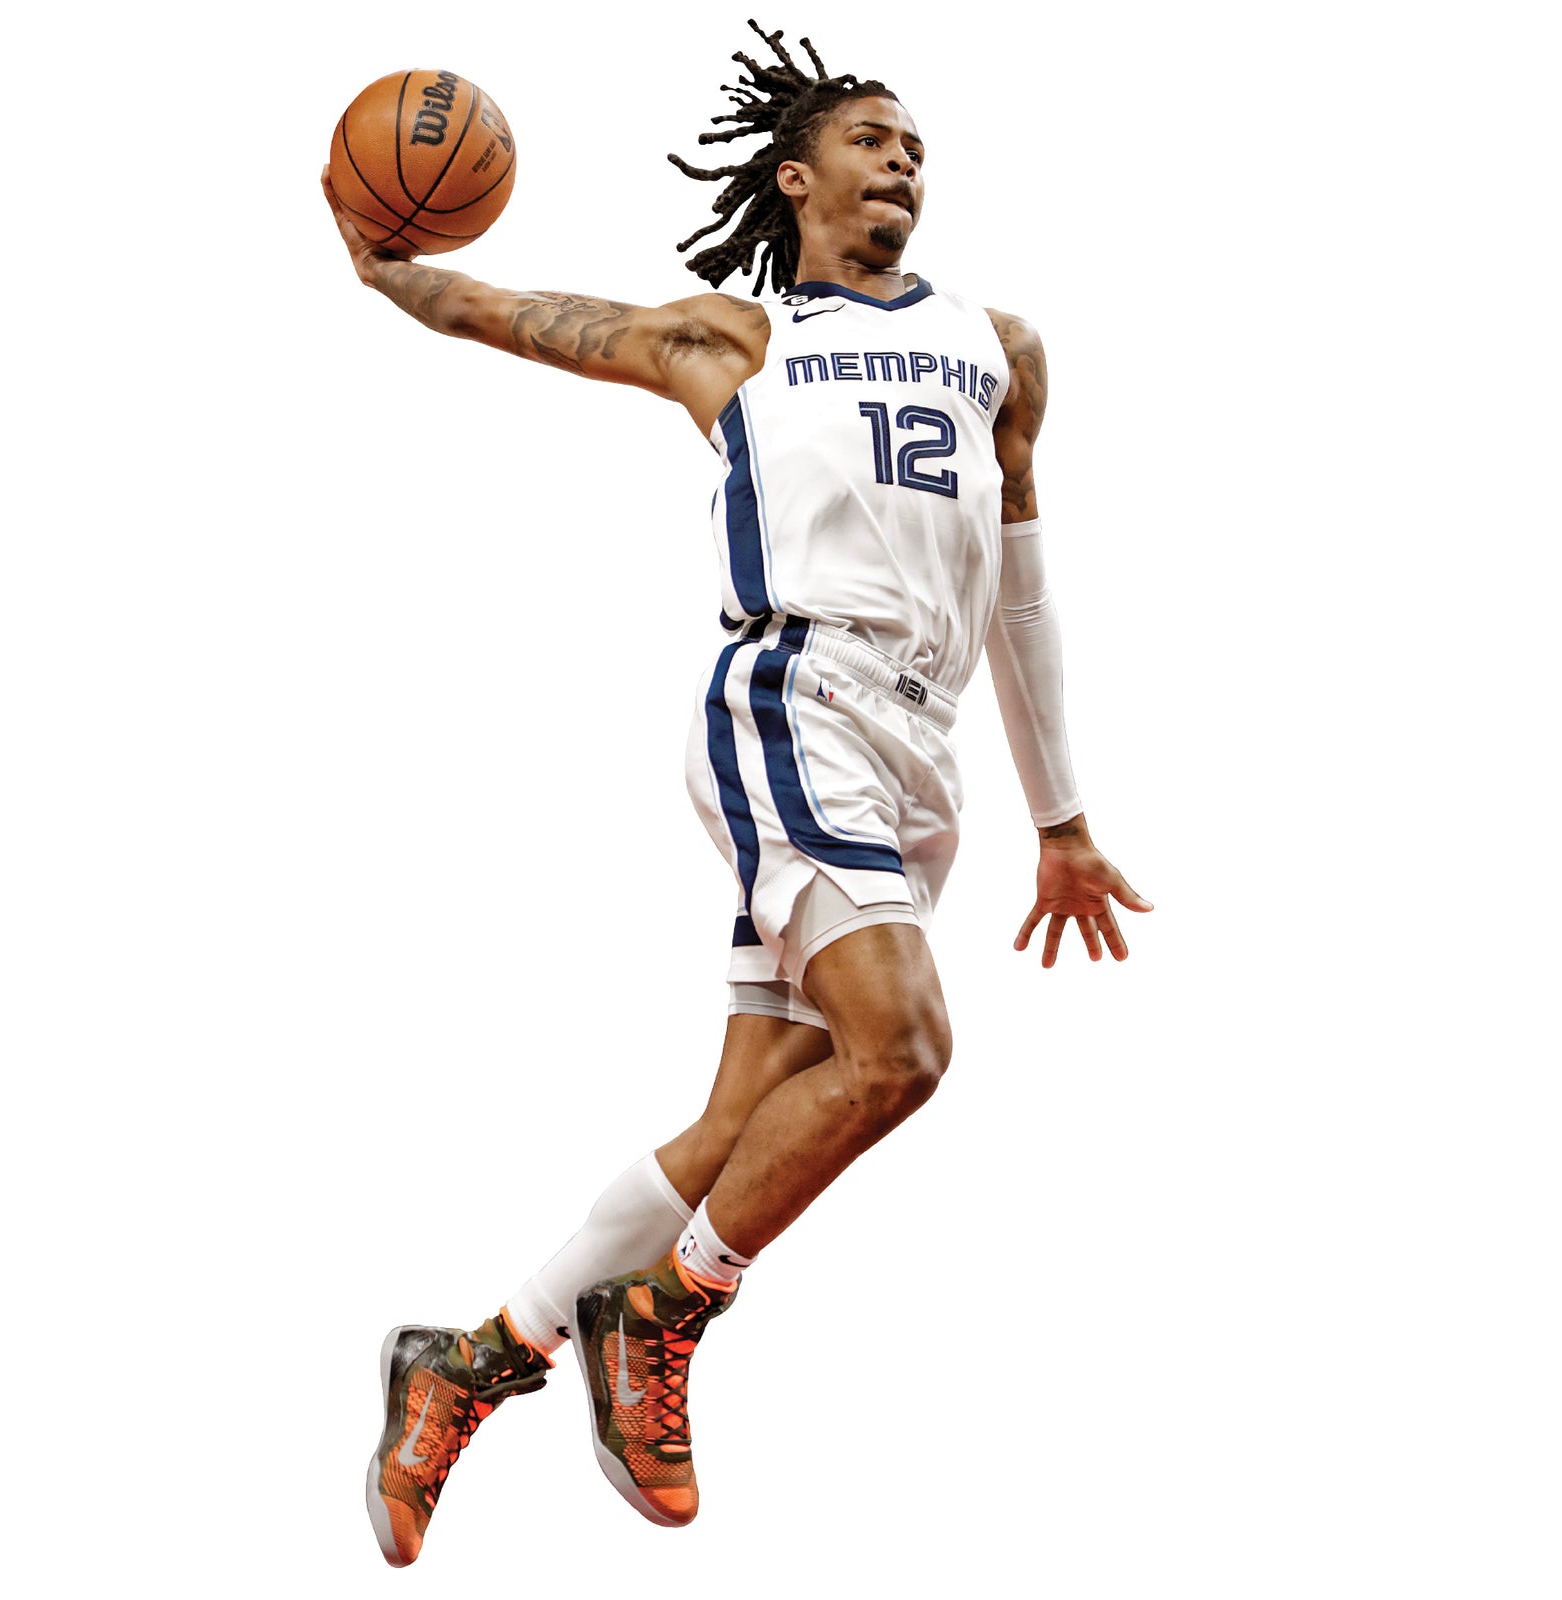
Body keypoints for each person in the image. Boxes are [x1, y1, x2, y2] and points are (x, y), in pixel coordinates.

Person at [325, 22, 1151, 1563]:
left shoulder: (999, 348)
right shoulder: (737, 343)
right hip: (795, 701)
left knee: (748, 1124)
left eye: (916, 144)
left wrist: (1062, 820)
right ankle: (671, 1310)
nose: (902, 158)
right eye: (870, 138)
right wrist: (391, 275)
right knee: (903, 1051)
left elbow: (1024, 591)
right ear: (797, 178)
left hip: (919, 756)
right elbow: (525, 315)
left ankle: (469, 1365)